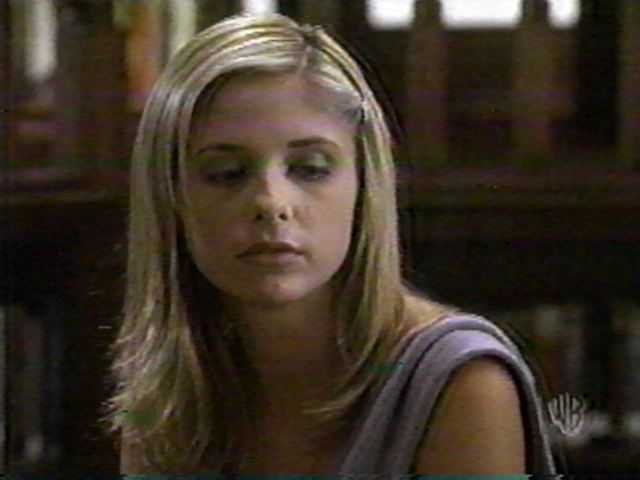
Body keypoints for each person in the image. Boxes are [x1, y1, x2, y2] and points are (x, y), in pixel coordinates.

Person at [99, 12, 558, 477]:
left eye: (310, 168)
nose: (271, 202)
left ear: (363, 184)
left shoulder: (460, 382)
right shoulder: (168, 396)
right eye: (226, 174)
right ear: (170, 196)